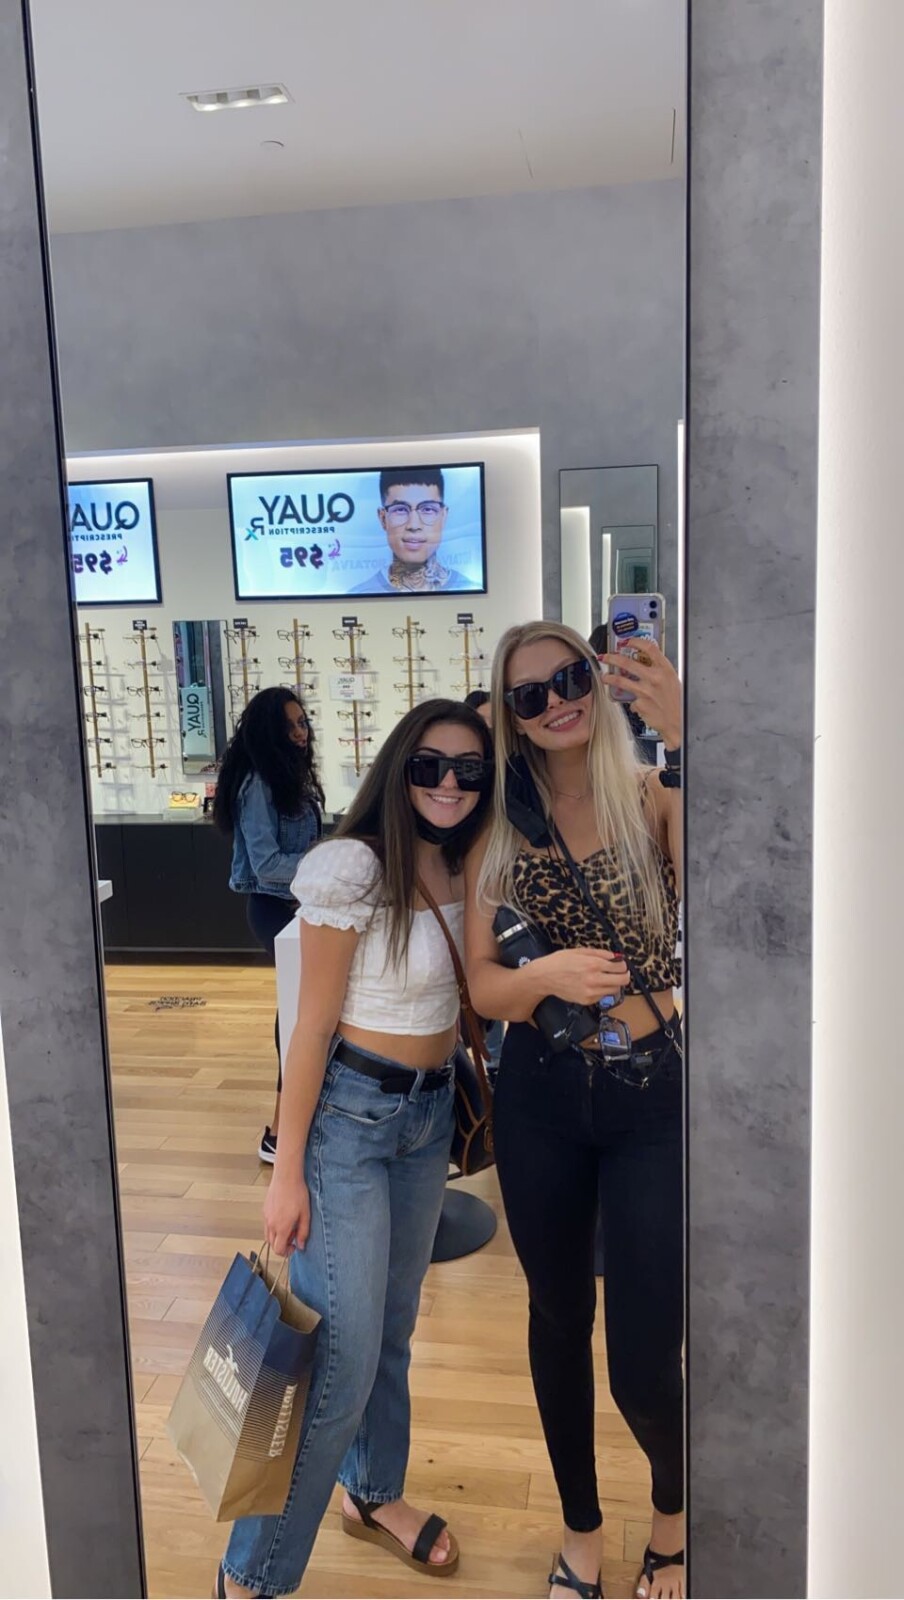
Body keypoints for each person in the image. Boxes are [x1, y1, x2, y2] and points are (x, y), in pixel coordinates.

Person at [215, 698, 494, 1600]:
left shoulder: (468, 860)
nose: (448, 784)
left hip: (427, 1120)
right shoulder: (353, 867)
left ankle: (372, 1492)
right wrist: (287, 1168)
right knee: (335, 1359)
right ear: (399, 768)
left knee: (392, 1330)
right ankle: (249, 1577)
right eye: (430, 765)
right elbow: (309, 1028)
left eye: (469, 769)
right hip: (351, 1123)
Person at [465, 621, 684, 1600]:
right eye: (530, 694)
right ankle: (581, 1531)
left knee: (644, 1355)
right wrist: (542, 977)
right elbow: (482, 983)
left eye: (568, 678)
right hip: (543, 1095)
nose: (556, 701)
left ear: (594, 680)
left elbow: (745, 873)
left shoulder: (651, 797)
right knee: (556, 1319)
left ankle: (673, 1513)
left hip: (653, 1090)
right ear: (510, 717)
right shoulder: (502, 828)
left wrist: (688, 732)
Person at [213, 687, 323, 1163]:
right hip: (274, 908)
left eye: (302, 723)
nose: (300, 733)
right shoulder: (257, 784)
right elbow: (266, 863)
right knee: (299, 1012)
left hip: (298, 905)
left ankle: (292, 1124)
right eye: (290, 726)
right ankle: (281, 1132)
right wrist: (322, 865)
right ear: (268, 733)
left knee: (302, 1010)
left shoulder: (288, 775)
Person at [350, 468, 476, 593]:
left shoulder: (469, 589)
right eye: (400, 509)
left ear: (443, 516)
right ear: (383, 518)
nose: (414, 525)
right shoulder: (359, 595)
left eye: (427, 509)